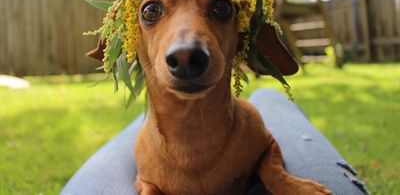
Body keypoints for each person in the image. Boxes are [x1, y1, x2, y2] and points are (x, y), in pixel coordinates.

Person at [61, 88, 369, 195]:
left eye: (220, 9)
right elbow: (145, 179)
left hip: (235, 120)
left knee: (142, 124)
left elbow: (266, 144)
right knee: (270, 97)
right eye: (152, 11)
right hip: (159, 138)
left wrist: (278, 179)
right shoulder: (145, 154)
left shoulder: (249, 128)